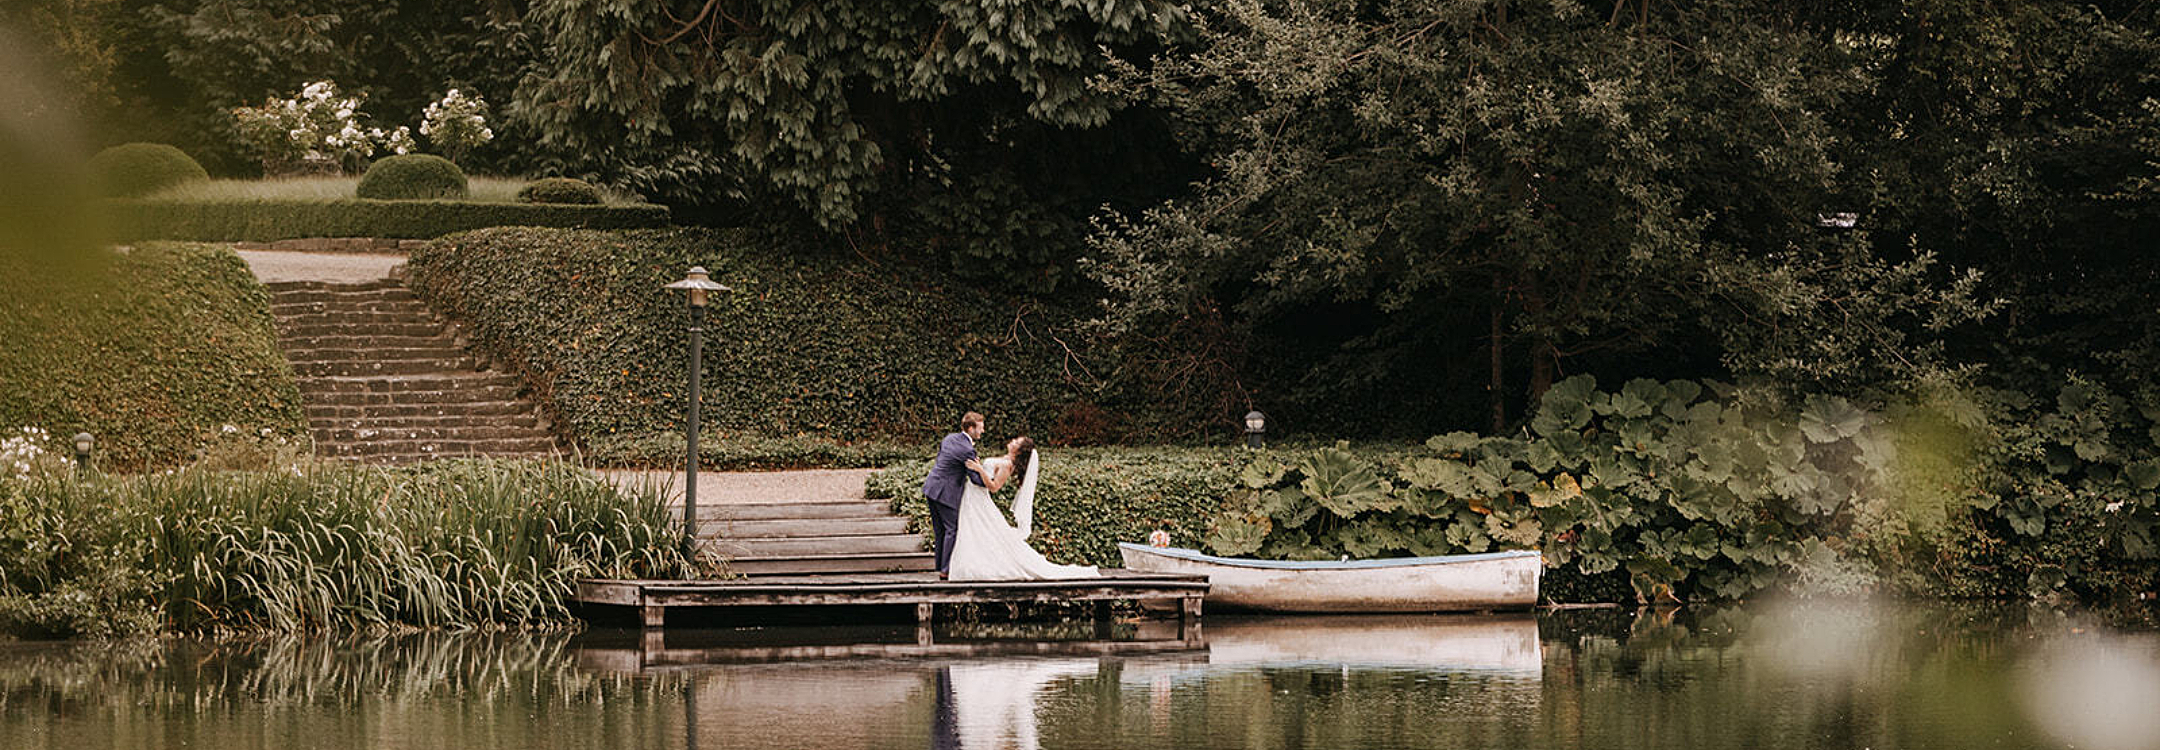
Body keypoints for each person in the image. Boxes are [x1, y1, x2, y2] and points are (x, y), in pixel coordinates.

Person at [947, 436, 1098, 581]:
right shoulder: (1005, 459)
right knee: (976, 531)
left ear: (1019, 450)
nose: (1012, 441)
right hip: (972, 495)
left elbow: (994, 487)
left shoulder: (1007, 465)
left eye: (1016, 442)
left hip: (979, 499)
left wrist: (979, 469)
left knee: (977, 530)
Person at [921, 412, 986, 579]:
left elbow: (943, 459)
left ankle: (940, 567)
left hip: (931, 487)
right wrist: (984, 472)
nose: (983, 431)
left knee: (940, 530)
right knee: (952, 529)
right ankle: (946, 569)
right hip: (945, 493)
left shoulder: (949, 438)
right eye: (980, 428)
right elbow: (976, 479)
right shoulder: (967, 450)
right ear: (971, 428)